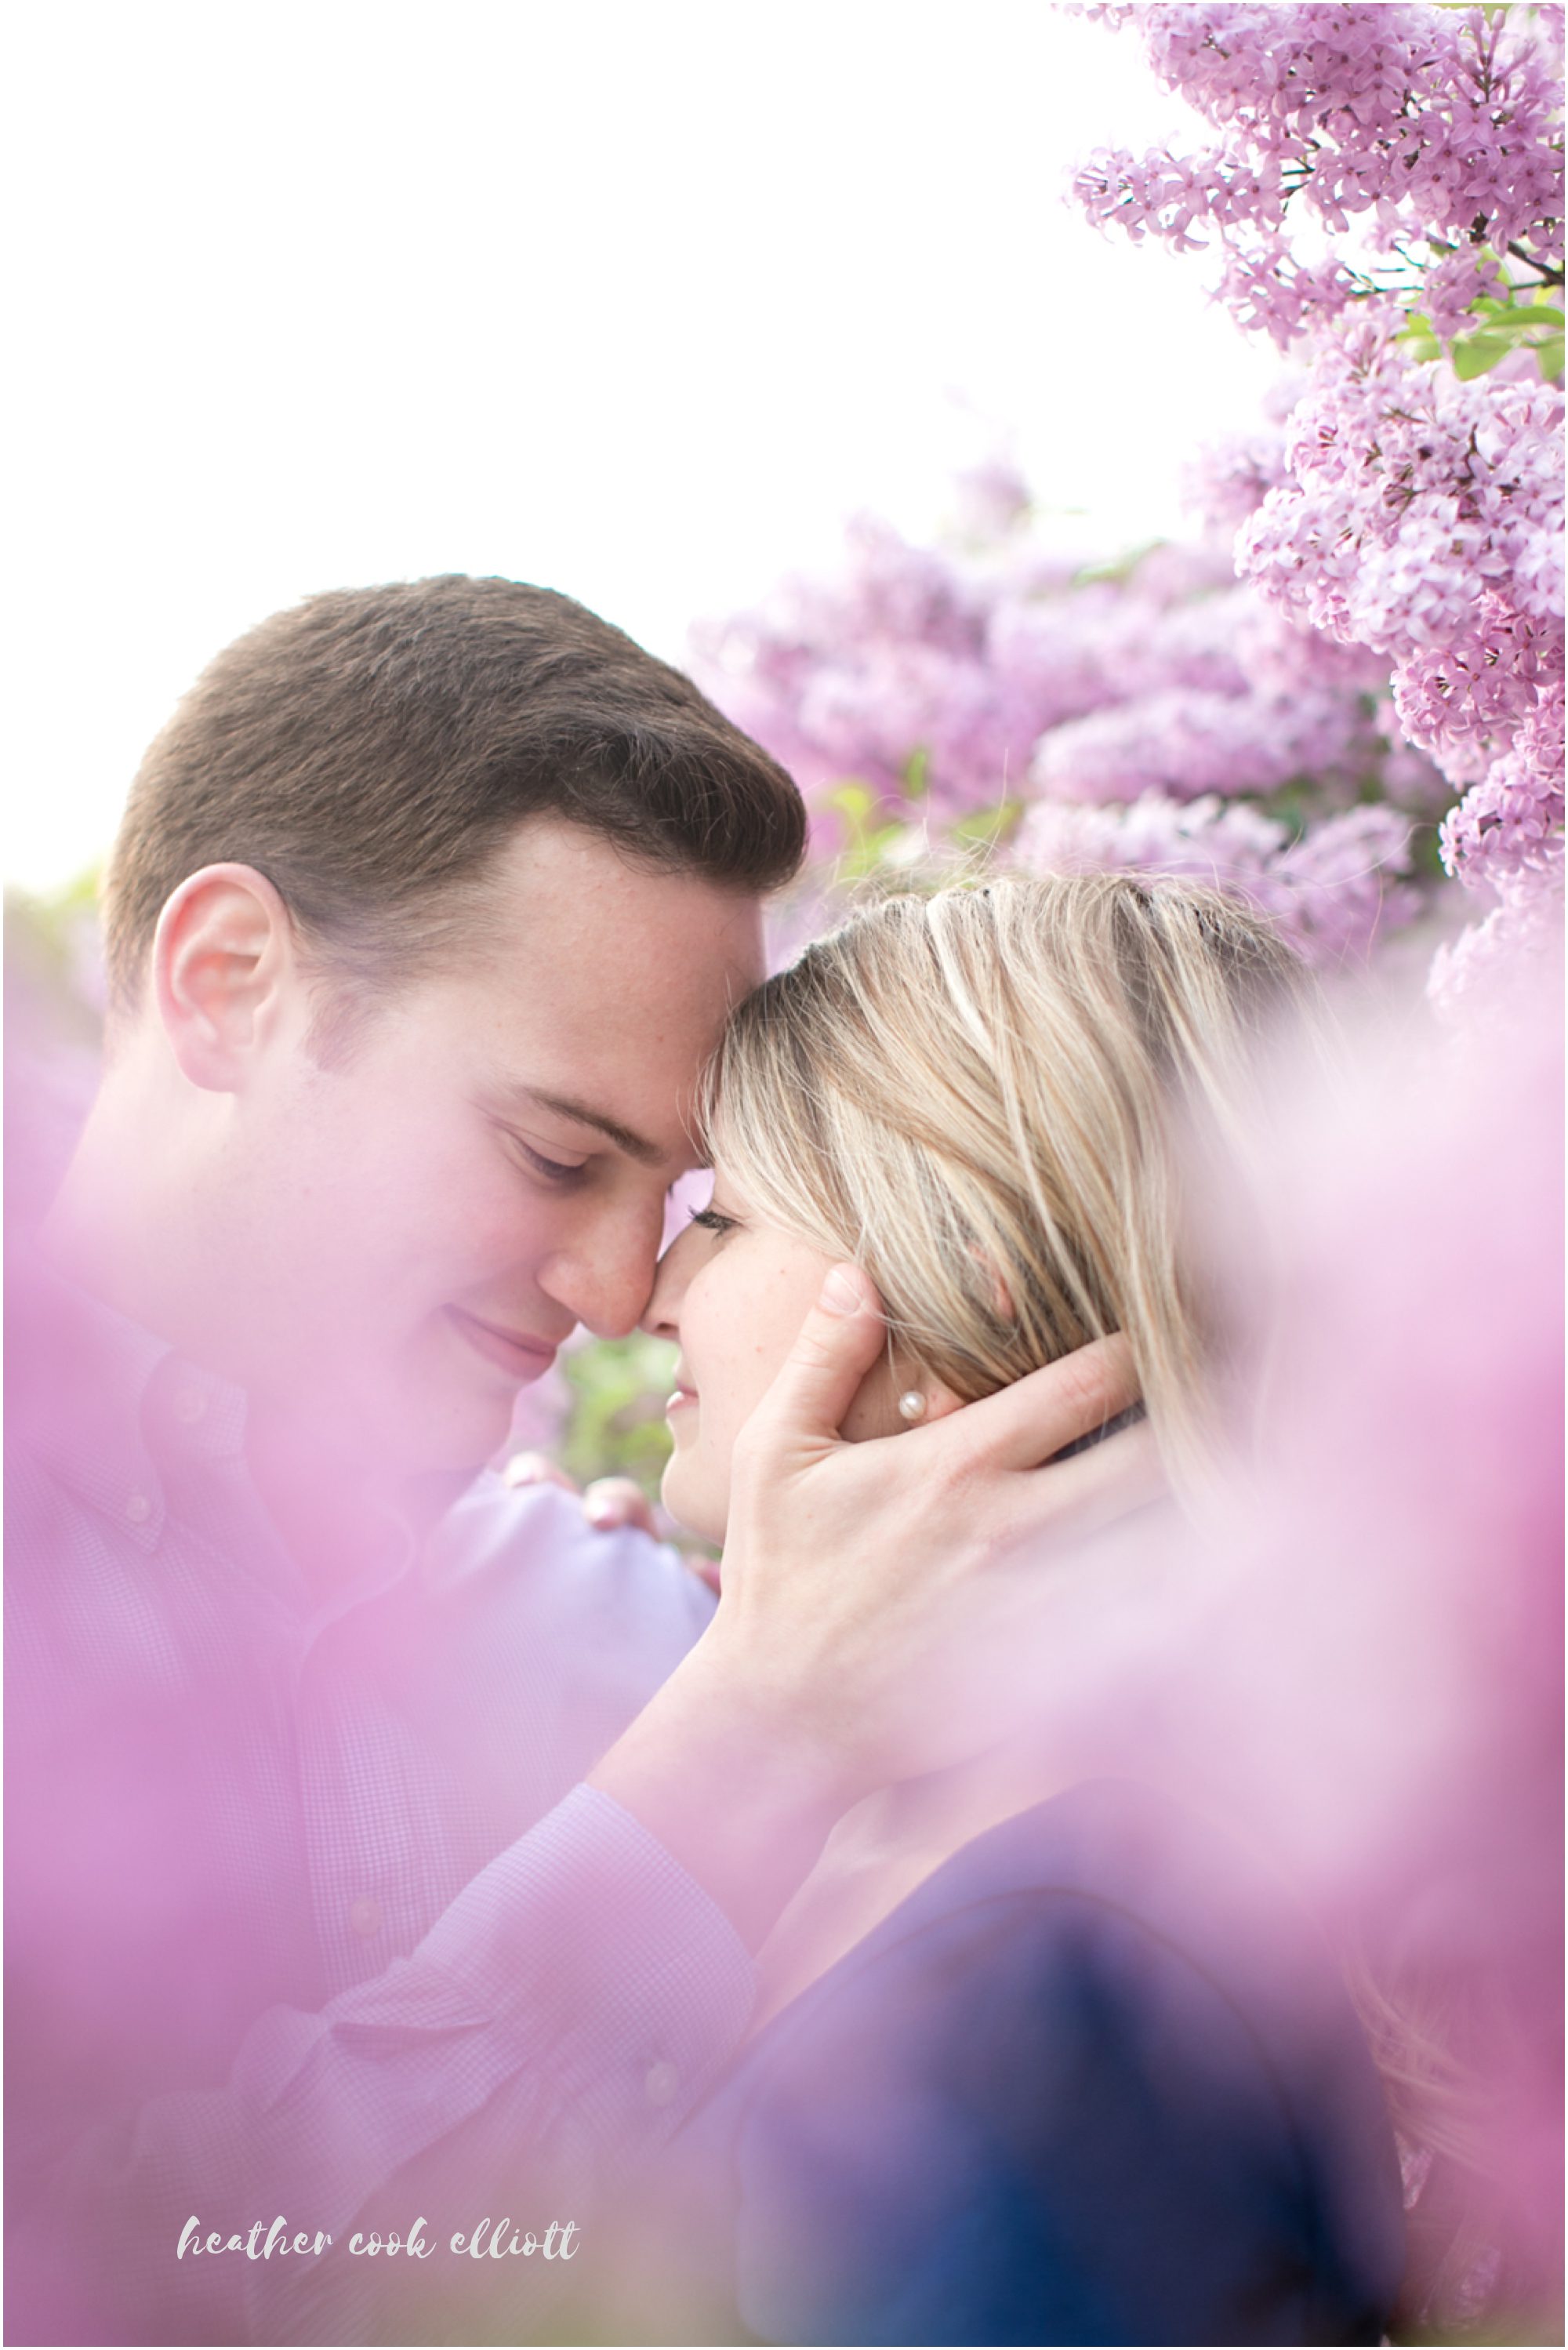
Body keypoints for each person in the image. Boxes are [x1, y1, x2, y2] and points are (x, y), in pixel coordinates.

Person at [5, 577, 1153, 2345]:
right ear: (228, 984)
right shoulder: (732, 1703)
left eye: (686, 1196)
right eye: (553, 1155)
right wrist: (741, 1753)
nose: (624, 1294)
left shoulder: (637, 1623)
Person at [581, 874, 1406, 2346]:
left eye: (728, 1218)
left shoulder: (1054, 1986)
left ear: (965, 1275)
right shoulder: (951, 1839)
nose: (651, 1290)